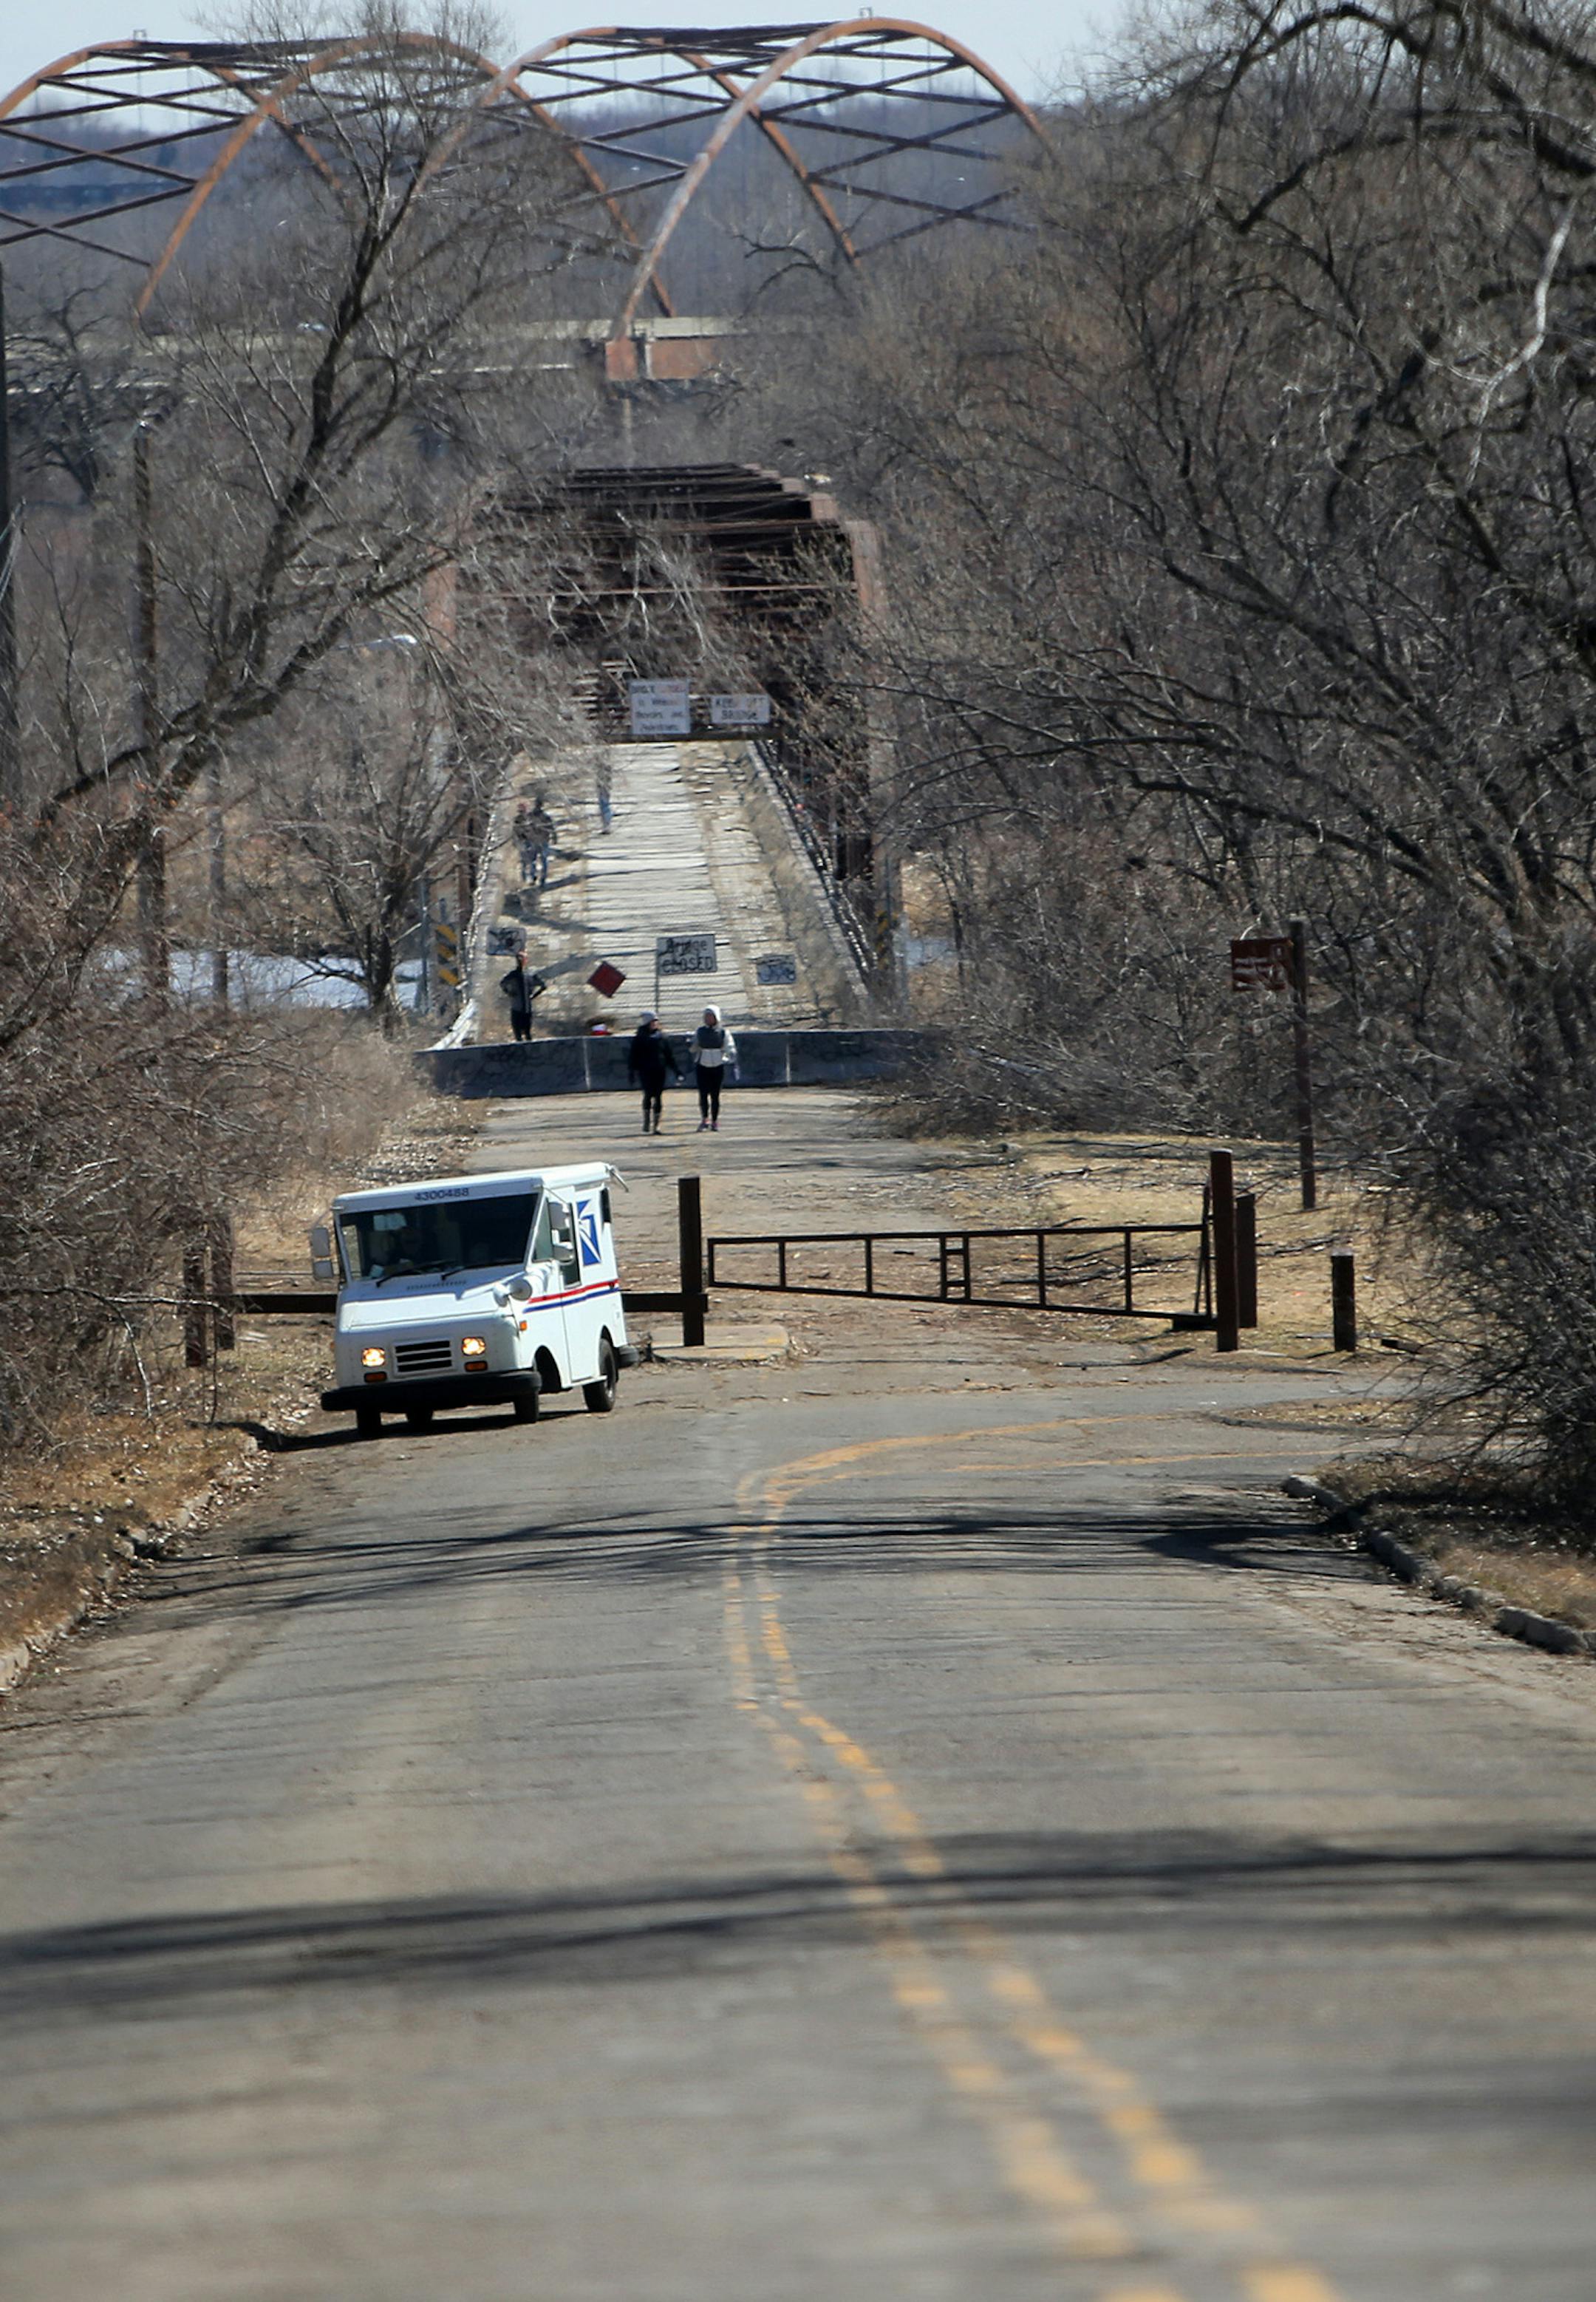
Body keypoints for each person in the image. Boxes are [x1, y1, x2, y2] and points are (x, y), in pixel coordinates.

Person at [627, 1009, 681, 1134]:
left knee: (658, 1096)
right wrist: (632, 1072)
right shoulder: (640, 1038)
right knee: (648, 1095)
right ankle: (647, 1121)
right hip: (645, 1071)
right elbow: (633, 1056)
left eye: (656, 1021)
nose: (655, 1024)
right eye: (652, 1022)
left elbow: (669, 1056)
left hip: (660, 1071)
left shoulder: (662, 1037)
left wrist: (676, 1071)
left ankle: (657, 1125)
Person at [692, 1004, 737, 1131]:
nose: (708, 1019)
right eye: (706, 1016)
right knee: (703, 1094)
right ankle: (704, 1119)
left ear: (717, 1017)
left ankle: (715, 1121)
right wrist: (692, 1046)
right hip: (703, 1066)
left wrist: (728, 1058)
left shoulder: (723, 1032)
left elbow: (730, 1047)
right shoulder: (700, 1032)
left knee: (715, 1096)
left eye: (711, 1016)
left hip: (717, 1066)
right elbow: (694, 1047)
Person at [500, 952, 547, 1042]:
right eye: (519, 960)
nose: (520, 962)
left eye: (522, 959)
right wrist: (510, 993)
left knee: (527, 1035)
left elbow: (543, 986)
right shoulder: (514, 975)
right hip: (517, 1008)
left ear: (526, 961)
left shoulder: (530, 975)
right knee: (519, 1036)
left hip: (526, 1009)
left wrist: (532, 996)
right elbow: (503, 984)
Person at [521, 797, 556, 889]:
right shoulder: (546, 817)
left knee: (533, 860)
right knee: (543, 860)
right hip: (543, 841)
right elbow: (551, 828)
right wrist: (554, 837)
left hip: (533, 841)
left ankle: (533, 878)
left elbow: (525, 828)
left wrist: (525, 838)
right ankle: (542, 880)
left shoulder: (530, 816)